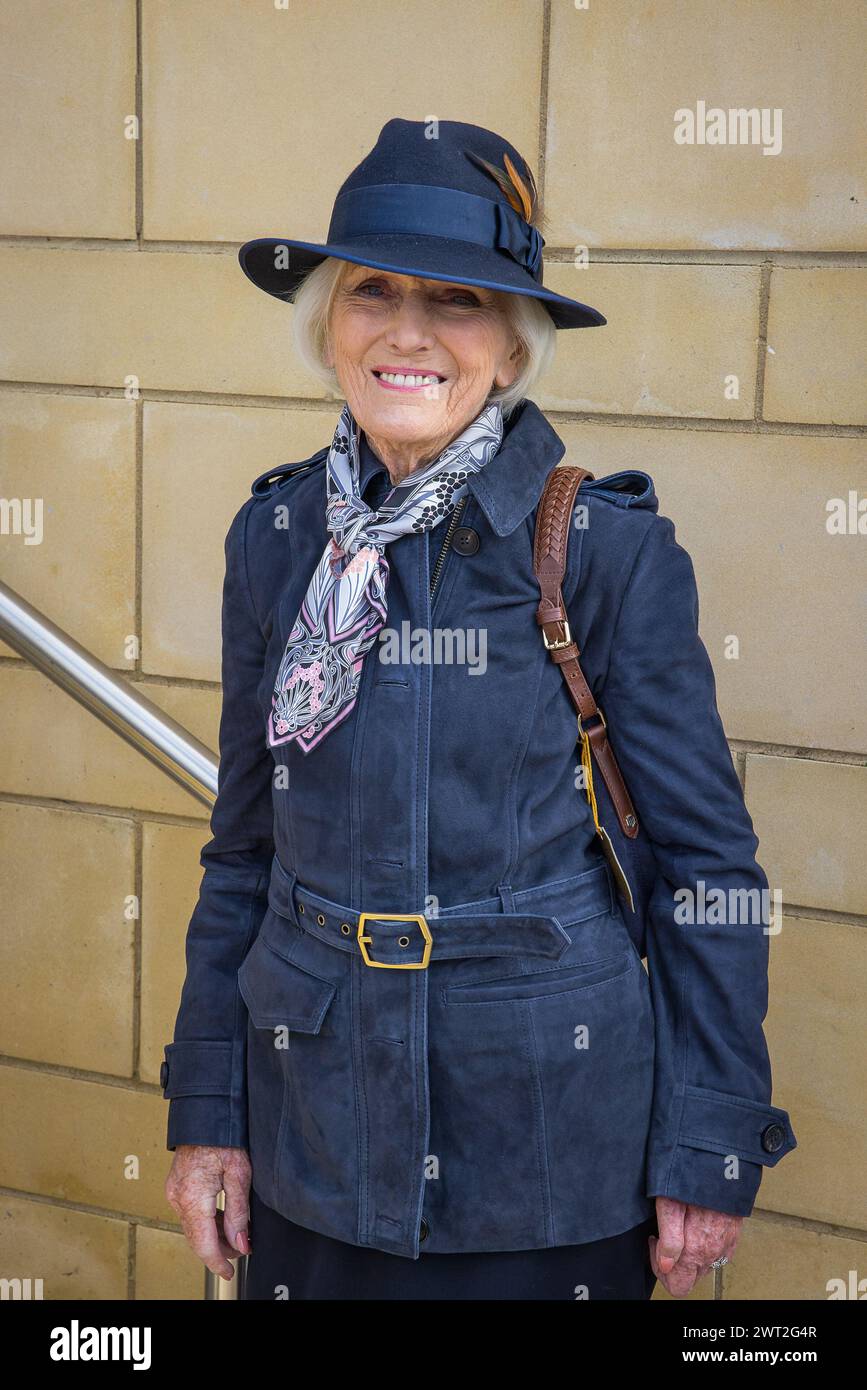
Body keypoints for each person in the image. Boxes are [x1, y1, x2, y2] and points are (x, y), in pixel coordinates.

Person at [162, 118, 797, 1301]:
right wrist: (207, 1114)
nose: (407, 331)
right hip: (313, 1141)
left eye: (456, 300)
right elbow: (242, 849)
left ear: (511, 348)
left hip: (542, 1157)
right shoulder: (277, 540)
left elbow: (710, 868)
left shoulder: (606, 556)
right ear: (331, 328)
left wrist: (709, 1147)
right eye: (374, 292)